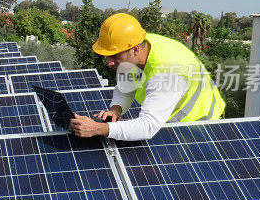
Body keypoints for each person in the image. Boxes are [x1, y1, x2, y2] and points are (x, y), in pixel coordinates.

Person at [70, 13, 225, 140]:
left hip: (201, 127)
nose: (109, 62)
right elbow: (125, 89)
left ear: (135, 50)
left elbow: (148, 127)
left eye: (114, 56)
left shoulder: (167, 73)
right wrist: (116, 109)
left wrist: (98, 128)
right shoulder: (137, 45)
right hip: (174, 123)